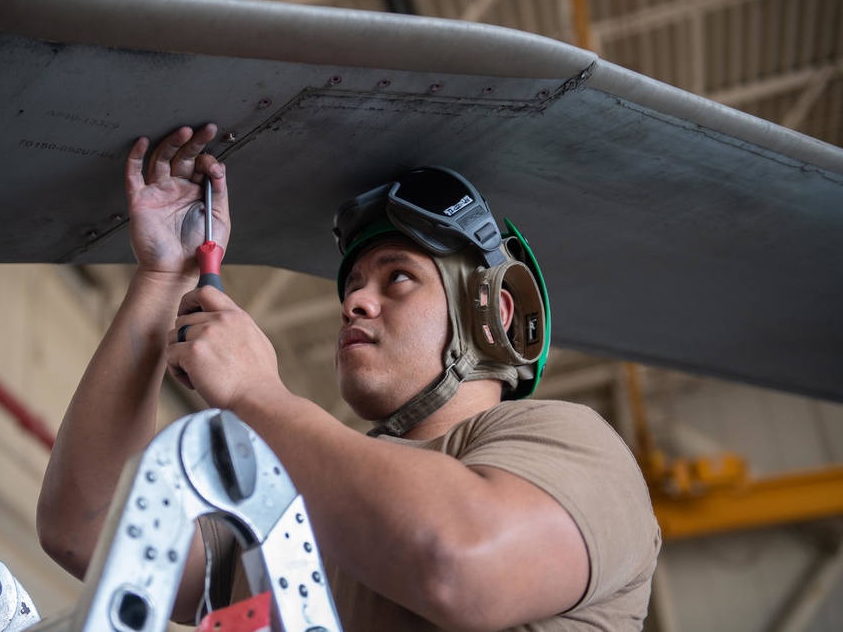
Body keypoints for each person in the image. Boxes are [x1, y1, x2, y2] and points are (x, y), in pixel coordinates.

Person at [37, 123, 661, 631]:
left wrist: (257, 395)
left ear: (492, 311)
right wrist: (162, 279)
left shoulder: (572, 444)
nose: (355, 303)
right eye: (354, 286)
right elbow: (87, 533)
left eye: (398, 278)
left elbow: (458, 563)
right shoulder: (294, 518)